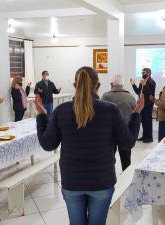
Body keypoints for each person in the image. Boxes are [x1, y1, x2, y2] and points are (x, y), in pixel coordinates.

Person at [35, 66, 144, 225]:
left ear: (74, 85)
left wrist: (41, 115)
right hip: (101, 180)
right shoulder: (110, 110)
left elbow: (47, 144)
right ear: (98, 86)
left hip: (72, 181)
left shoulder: (62, 111)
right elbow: (127, 143)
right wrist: (136, 115)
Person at [102, 74, 137, 171]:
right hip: (125, 131)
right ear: (122, 85)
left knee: (109, 158)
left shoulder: (105, 96)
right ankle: (126, 178)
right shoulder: (130, 97)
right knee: (126, 159)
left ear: (111, 84)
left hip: (109, 132)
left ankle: (110, 176)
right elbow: (135, 112)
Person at [130, 68, 156, 143]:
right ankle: (144, 136)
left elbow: (150, 93)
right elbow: (138, 92)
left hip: (148, 104)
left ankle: (149, 138)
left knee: (148, 121)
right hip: (142, 104)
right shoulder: (142, 81)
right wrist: (133, 85)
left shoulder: (152, 82)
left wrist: (145, 85)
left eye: (144, 72)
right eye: (142, 72)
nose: (142, 74)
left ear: (149, 73)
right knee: (143, 121)